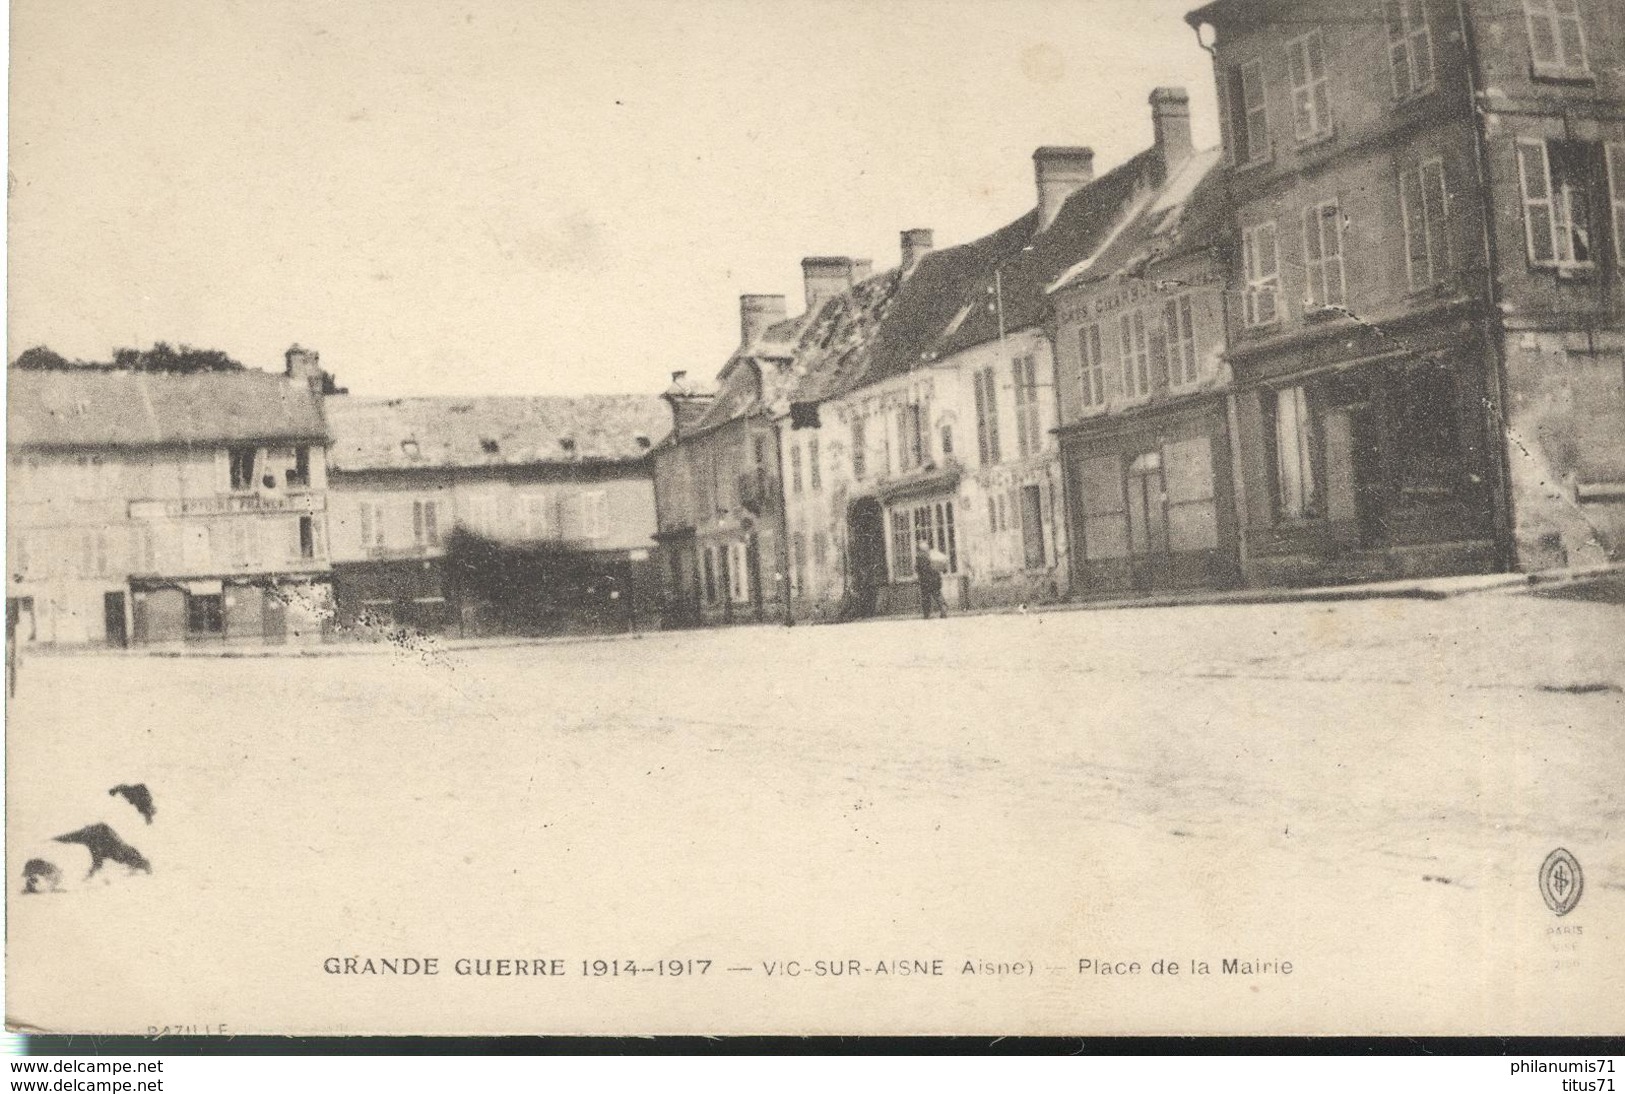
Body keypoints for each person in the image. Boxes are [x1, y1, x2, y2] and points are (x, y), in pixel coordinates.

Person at [914, 539, 947, 620]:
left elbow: (917, 568)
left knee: (926, 597)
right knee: (937, 595)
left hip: (925, 580)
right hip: (936, 578)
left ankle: (926, 614)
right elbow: (942, 566)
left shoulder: (919, 556)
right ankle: (943, 609)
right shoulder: (933, 554)